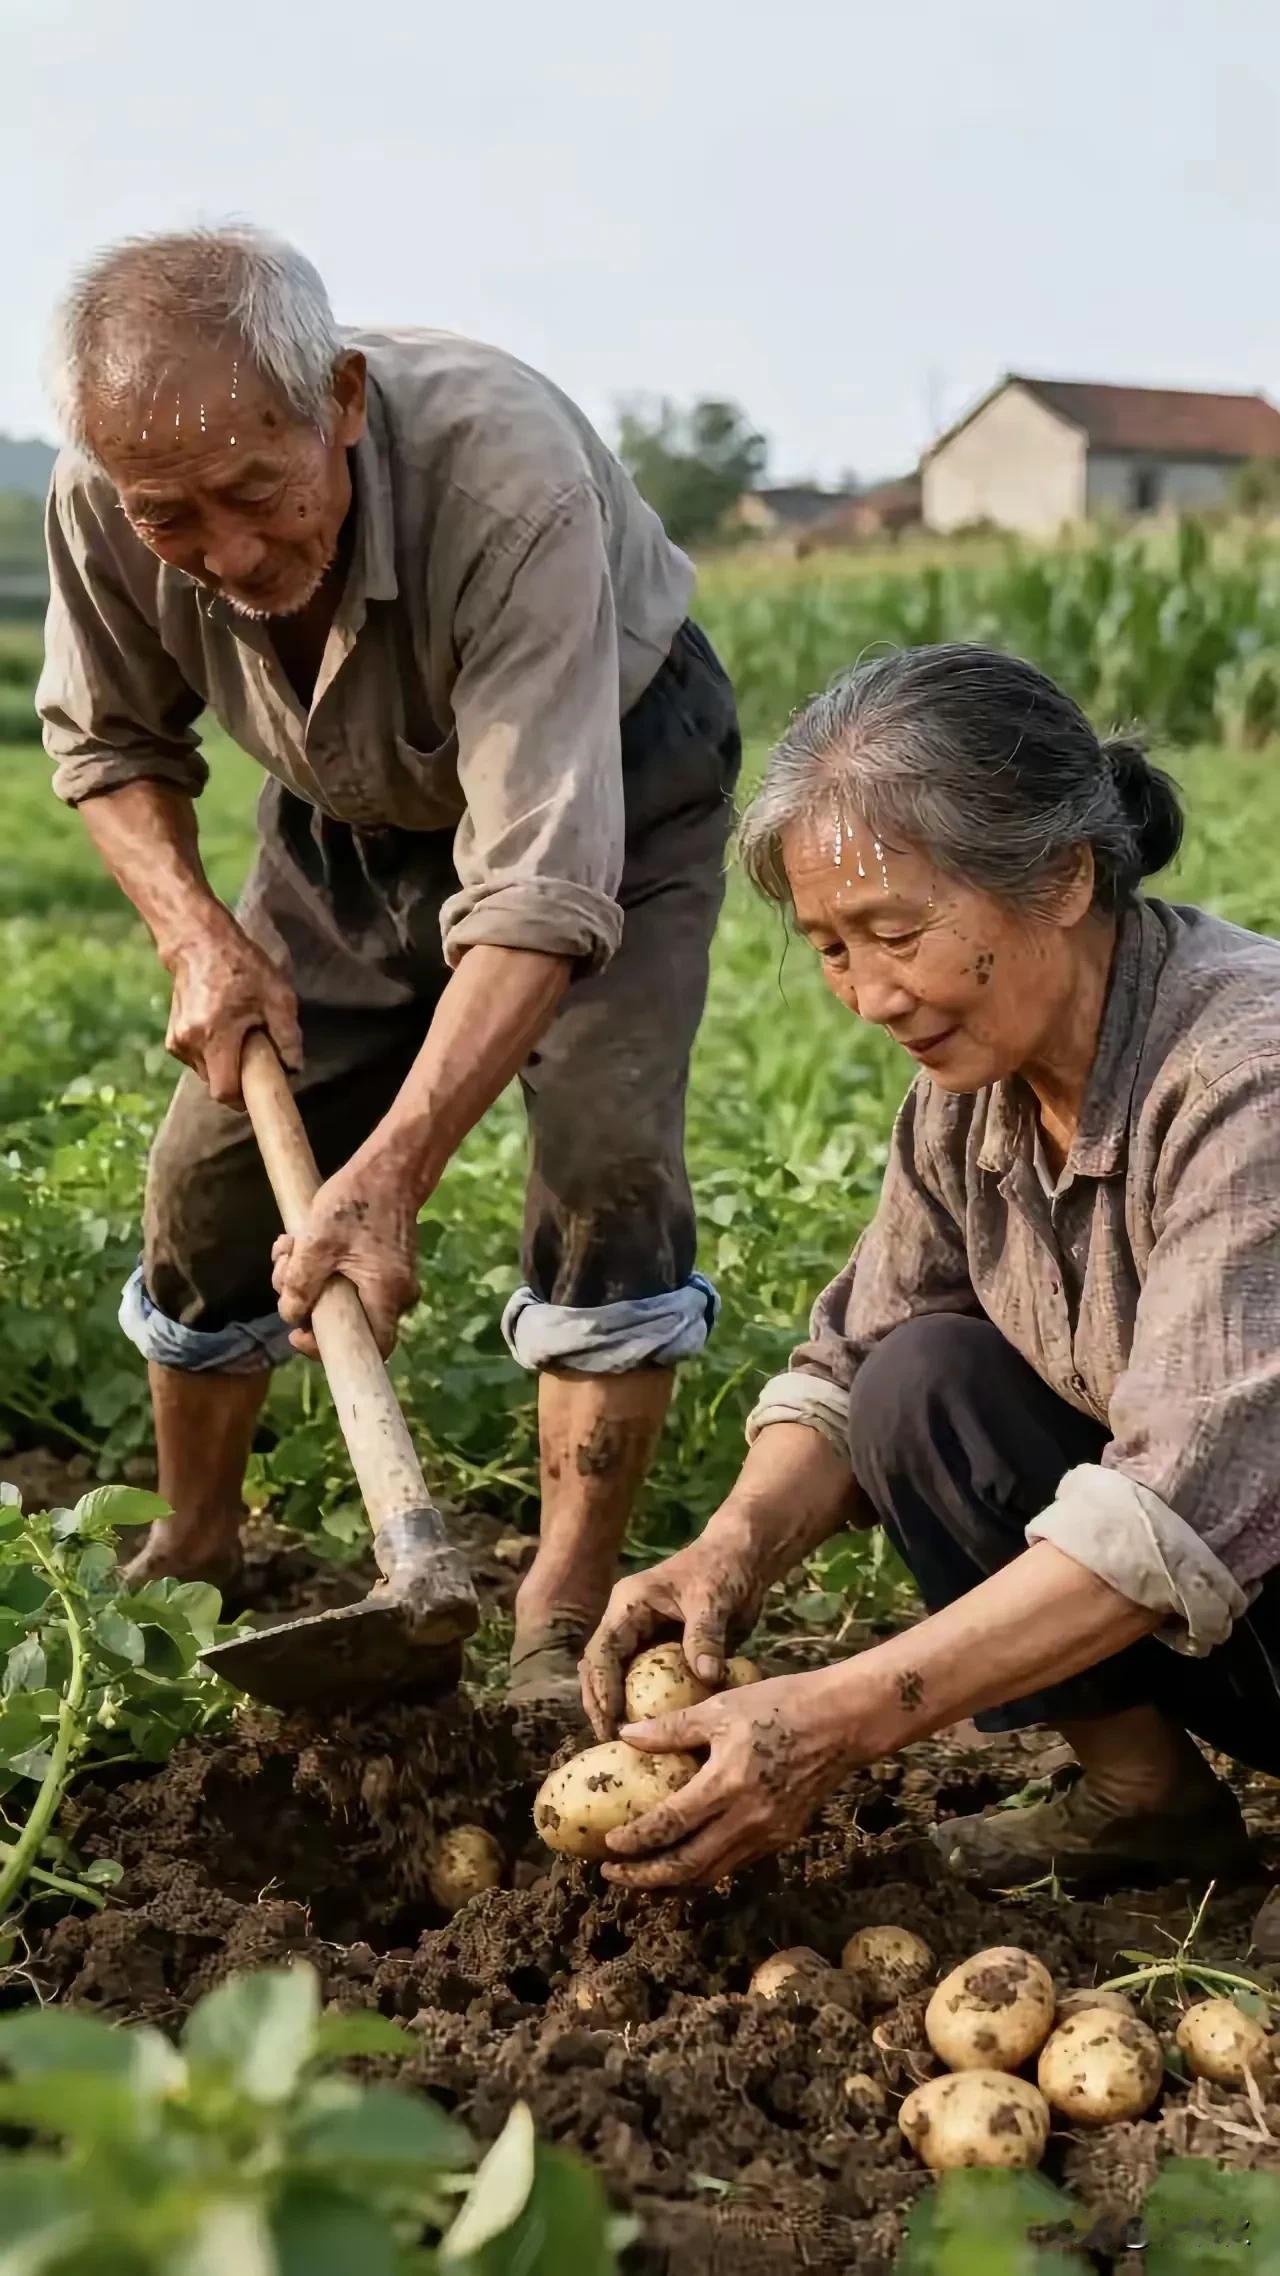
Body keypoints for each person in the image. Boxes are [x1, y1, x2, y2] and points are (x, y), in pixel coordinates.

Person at [37, 224, 739, 1700]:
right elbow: (106, 738)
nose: (228, 555)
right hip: (349, 804)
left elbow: (542, 883)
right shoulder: (108, 496)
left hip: (610, 771)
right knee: (210, 1172)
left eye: (258, 494)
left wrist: (393, 1175)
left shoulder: (506, 480)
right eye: (175, 520)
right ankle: (200, 1532)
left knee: (605, 1152)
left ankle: (558, 1599)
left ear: (341, 402)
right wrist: (197, 934)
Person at [580, 642, 1280, 1950]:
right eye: (833, 949)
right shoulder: (976, 1091)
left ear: (1064, 877)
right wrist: (730, 1548)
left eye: (897, 934)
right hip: (1248, 1619)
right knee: (923, 1386)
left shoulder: (1247, 1074)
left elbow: (1182, 1506)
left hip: (1248, 1570)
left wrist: (833, 1719)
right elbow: (861, 1358)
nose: (869, 996)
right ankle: (1145, 1803)